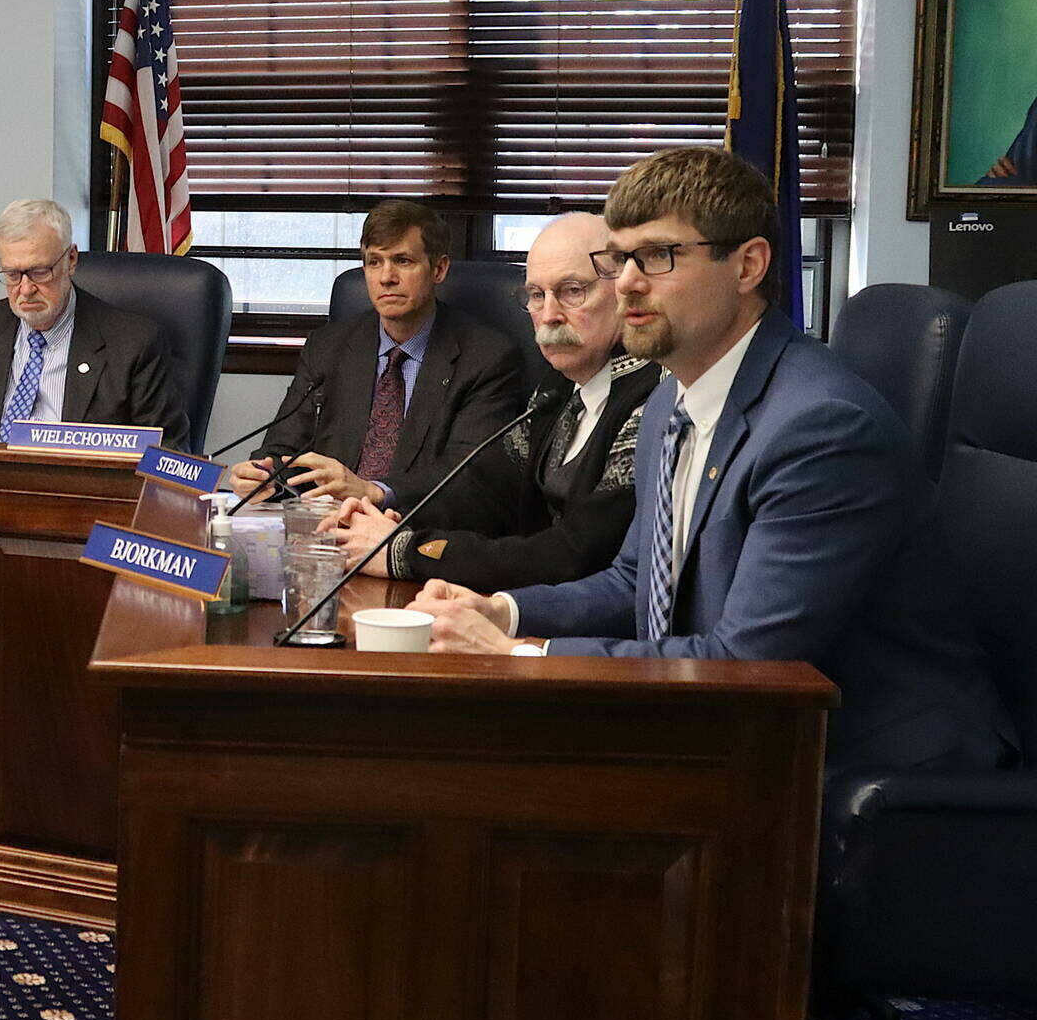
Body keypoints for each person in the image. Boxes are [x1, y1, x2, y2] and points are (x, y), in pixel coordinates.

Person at [409, 146, 1014, 772]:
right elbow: (634, 581)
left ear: (748, 265)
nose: (627, 284)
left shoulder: (821, 429)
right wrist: (502, 611)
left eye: (659, 256)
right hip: (725, 728)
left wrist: (523, 656)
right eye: (619, 260)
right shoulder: (673, 392)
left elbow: (743, 664)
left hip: (869, 770)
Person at [322, 212, 661, 591]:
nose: (549, 315)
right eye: (536, 295)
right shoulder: (558, 388)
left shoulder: (652, 402)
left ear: (622, 290)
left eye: (572, 291)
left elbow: (575, 555)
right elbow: (486, 489)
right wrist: (383, 510)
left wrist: (404, 550)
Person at [230, 199, 525, 506]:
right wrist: (265, 474)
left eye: (403, 261)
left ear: (438, 268)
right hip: (325, 530)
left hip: (415, 534)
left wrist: (376, 492)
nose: (386, 277)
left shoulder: (486, 358)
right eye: (374, 262)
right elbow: (283, 448)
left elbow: (469, 479)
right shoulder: (328, 348)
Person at [0, 199, 188, 446]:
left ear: (71, 260)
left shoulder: (133, 344)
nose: (25, 289)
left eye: (39, 272)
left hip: (77, 500)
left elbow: (168, 452)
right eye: (12, 274)